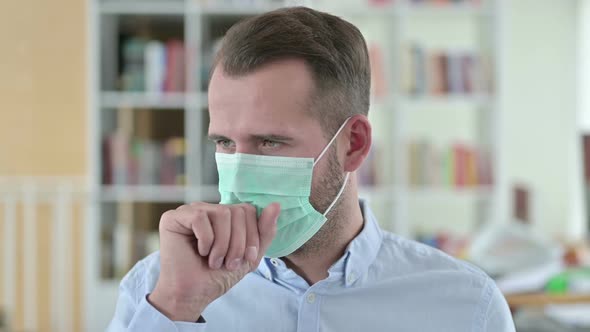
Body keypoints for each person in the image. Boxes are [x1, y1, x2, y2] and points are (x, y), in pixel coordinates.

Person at [108, 6, 514, 332]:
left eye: (270, 142)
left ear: (353, 144)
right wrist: (178, 307)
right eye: (225, 143)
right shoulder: (157, 288)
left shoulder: (465, 307)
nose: (239, 175)